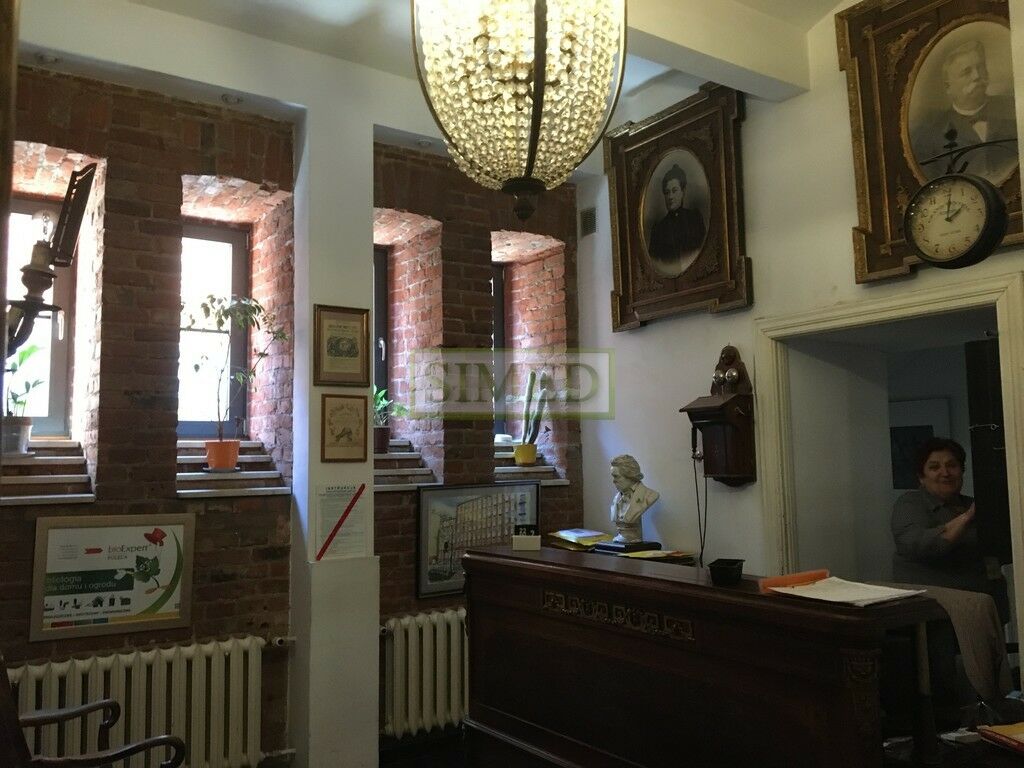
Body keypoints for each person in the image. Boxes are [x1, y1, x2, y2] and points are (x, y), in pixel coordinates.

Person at [891, 436, 1006, 613]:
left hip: (984, 605)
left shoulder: (973, 504)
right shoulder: (909, 504)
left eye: (952, 465)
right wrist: (967, 517)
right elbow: (918, 545)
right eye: (934, 467)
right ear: (921, 477)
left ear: (962, 471)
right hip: (931, 612)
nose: (945, 473)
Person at [910, 39, 1017, 181]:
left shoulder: (1014, 106)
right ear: (948, 87)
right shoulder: (931, 137)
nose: (977, 76)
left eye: (980, 67)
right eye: (967, 72)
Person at [646, 164, 706, 271]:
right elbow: (653, 267)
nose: (670, 197)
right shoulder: (658, 230)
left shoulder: (694, 218)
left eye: (674, 190)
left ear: (683, 191)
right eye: (667, 192)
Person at [609, 454, 660, 544]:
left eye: (616, 476)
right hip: (620, 540)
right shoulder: (617, 498)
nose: (613, 481)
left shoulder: (650, 495)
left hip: (635, 540)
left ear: (630, 476)